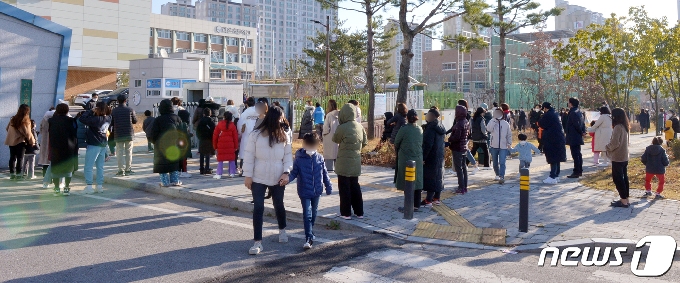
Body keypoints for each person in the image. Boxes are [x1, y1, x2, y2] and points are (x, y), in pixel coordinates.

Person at [243, 106, 293, 255]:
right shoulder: (256, 135)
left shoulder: (284, 135)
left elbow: (288, 157)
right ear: (273, 118)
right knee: (258, 207)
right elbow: (249, 155)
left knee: (279, 204)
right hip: (258, 176)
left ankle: (282, 229)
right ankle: (257, 242)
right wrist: (247, 175)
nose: (282, 120)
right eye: (280, 118)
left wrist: (286, 173)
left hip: (278, 176)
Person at [288, 133, 332, 249]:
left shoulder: (320, 158)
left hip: (317, 190)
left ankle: (310, 232)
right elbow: (294, 173)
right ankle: (309, 237)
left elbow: (325, 174)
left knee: (314, 213)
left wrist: (328, 186)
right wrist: (286, 180)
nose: (310, 147)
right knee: (307, 214)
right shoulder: (299, 159)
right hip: (304, 191)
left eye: (313, 145)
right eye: (308, 144)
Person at [332, 103, 368, 220]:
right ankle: (359, 212)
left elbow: (335, 139)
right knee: (355, 186)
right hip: (355, 161)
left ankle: (346, 213)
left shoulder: (342, 127)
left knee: (344, 188)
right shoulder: (360, 126)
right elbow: (365, 142)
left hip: (343, 162)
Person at [148, 99, 184, 187]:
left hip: (161, 147)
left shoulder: (158, 120)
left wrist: (155, 143)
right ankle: (175, 181)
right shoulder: (177, 118)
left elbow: (153, 135)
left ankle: (165, 182)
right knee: (174, 164)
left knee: (162, 165)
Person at [79, 101, 112, 194]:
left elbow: (82, 118)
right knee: (100, 166)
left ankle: (89, 187)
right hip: (103, 144)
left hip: (94, 144)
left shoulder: (95, 119)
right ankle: (99, 186)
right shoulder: (109, 118)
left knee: (88, 166)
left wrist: (90, 111)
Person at [395, 109, 424, 211]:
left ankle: (408, 205)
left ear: (407, 118)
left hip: (405, 159)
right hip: (418, 158)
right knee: (417, 181)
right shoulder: (420, 129)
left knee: (407, 181)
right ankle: (416, 205)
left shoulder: (404, 129)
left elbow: (396, 142)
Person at [48, 103, 78, 196]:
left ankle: (56, 188)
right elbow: (75, 132)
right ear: (67, 110)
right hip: (69, 147)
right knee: (68, 168)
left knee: (56, 168)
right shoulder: (71, 120)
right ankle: (66, 188)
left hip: (55, 147)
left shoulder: (51, 120)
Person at [606, 108, 630, 208]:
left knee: (618, 179)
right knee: (624, 178)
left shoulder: (617, 127)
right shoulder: (625, 126)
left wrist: (607, 147)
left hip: (618, 157)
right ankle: (626, 199)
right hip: (624, 156)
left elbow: (615, 143)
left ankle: (623, 201)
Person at [421, 108, 445, 206]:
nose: (426, 116)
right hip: (439, 155)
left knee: (431, 178)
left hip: (431, 156)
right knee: (438, 177)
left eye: (428, 115)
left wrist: (423, 157)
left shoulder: (430, 128)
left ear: (433, 116)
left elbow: (427, 144)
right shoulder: (441, 126)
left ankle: (428, 200)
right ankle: (437, 198)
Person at [5, 104, 36, 180]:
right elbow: (28, 133)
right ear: (27, 111)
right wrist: (33, 141)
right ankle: (19, 175)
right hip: (20, 141)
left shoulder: (13, 119)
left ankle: (12, 174)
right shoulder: (25, 121)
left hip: (11, 141)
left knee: (12, 157)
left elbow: (7, 128)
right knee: (20, 158)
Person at [539, 102, 567, 184]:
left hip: (552, 139)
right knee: (557, 157)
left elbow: (541, 124)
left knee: (553, 157)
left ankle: (552, 176)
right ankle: (556, 175)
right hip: (559, 138)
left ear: (545, 108)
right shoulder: (555, 113)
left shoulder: (548, 115)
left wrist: (540, 117)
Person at [110, 94, 137, 176]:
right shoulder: (130, 109)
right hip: (129, 134)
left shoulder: (114, 111)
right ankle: (128, 169)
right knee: (128, 152)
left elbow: (111, 122)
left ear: (117, 101)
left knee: (119, 152)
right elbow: (135, 121)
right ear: (126, 100)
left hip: (118, 134)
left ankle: (121, 170)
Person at [448, 105, 471, 194]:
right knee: (464, 168)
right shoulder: (466, 121)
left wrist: (449, 139)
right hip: (464, 147)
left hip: (457, 148)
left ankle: (461, 187)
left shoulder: (459, 123)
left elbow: (456, 137)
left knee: (459, 169)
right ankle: (464, 186)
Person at [487, 108, 512, 184]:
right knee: (494, 162)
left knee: (502, 162)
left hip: (503, 146)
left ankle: (502, 176)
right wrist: (494, 120)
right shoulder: (492, 121)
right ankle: (497, 174)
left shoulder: (505, 123)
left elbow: (509, 134)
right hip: (494, 145)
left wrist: (509, 143)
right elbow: (488, 129)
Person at [213, 111, 239, 179]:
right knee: (231, 159)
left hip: (221, 145)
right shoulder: (233, 126)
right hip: (230, 145)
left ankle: (219, 174)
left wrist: (215, 146)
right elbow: (235, 137)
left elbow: (215, 136)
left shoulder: (219, 125)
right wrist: (236, 146)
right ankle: (232, 173)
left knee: (220, 159)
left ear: (224, 117)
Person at [565, 97, 586, 178]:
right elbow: (582, 123)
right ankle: (579, 170)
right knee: (578, 154)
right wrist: (583, 132)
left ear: (571, 103)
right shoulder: (579, 112)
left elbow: (576, 124)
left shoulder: (573, 112)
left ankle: (576, 171)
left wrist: (581, 132)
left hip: (573, 136)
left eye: (568, 102)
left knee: (575, 154)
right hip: (577, 136)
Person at [237, 97, 258, 175]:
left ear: (247, 104)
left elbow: (240, 125)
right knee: (255, 153)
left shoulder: (245, 113)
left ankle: (243, 171)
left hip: (246, 135)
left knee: (244, 154)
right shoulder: (258, 112)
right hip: (257, 135)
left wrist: (240, 134)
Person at [38, 107, 56, 187]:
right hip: (53, 141)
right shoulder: (55, 120)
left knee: (45, 162)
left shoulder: (44, 119)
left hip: (45, 141)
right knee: (53, 162)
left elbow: (41, 129)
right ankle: (52, 179)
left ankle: (45, 180)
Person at [196, 108, 217, 175]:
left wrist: (200, 137)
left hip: (202, 139)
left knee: (201, 154)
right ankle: (207, 168)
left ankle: (201, 168)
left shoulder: (200, 121)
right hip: (209, 139)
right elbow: (214, 131)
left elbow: (197, 131)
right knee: (207, 154)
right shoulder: (211, 121)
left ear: (203, 114)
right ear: (210, 114)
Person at [322, 100, 340, 171]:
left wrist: (324, 134)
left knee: (329, 154)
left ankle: (329, 168)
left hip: (329, 137)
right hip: (338, 135)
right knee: (336, 152)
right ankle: (337, 167)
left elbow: (326, 127)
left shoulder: (329, 115)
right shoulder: (340, 114)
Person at [177, 110, 193, 178]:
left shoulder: (177, 123)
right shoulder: (184, 124)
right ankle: (184, 171)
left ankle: (178, 171)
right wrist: (190, 134)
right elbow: (185, 134)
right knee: (183, 159)